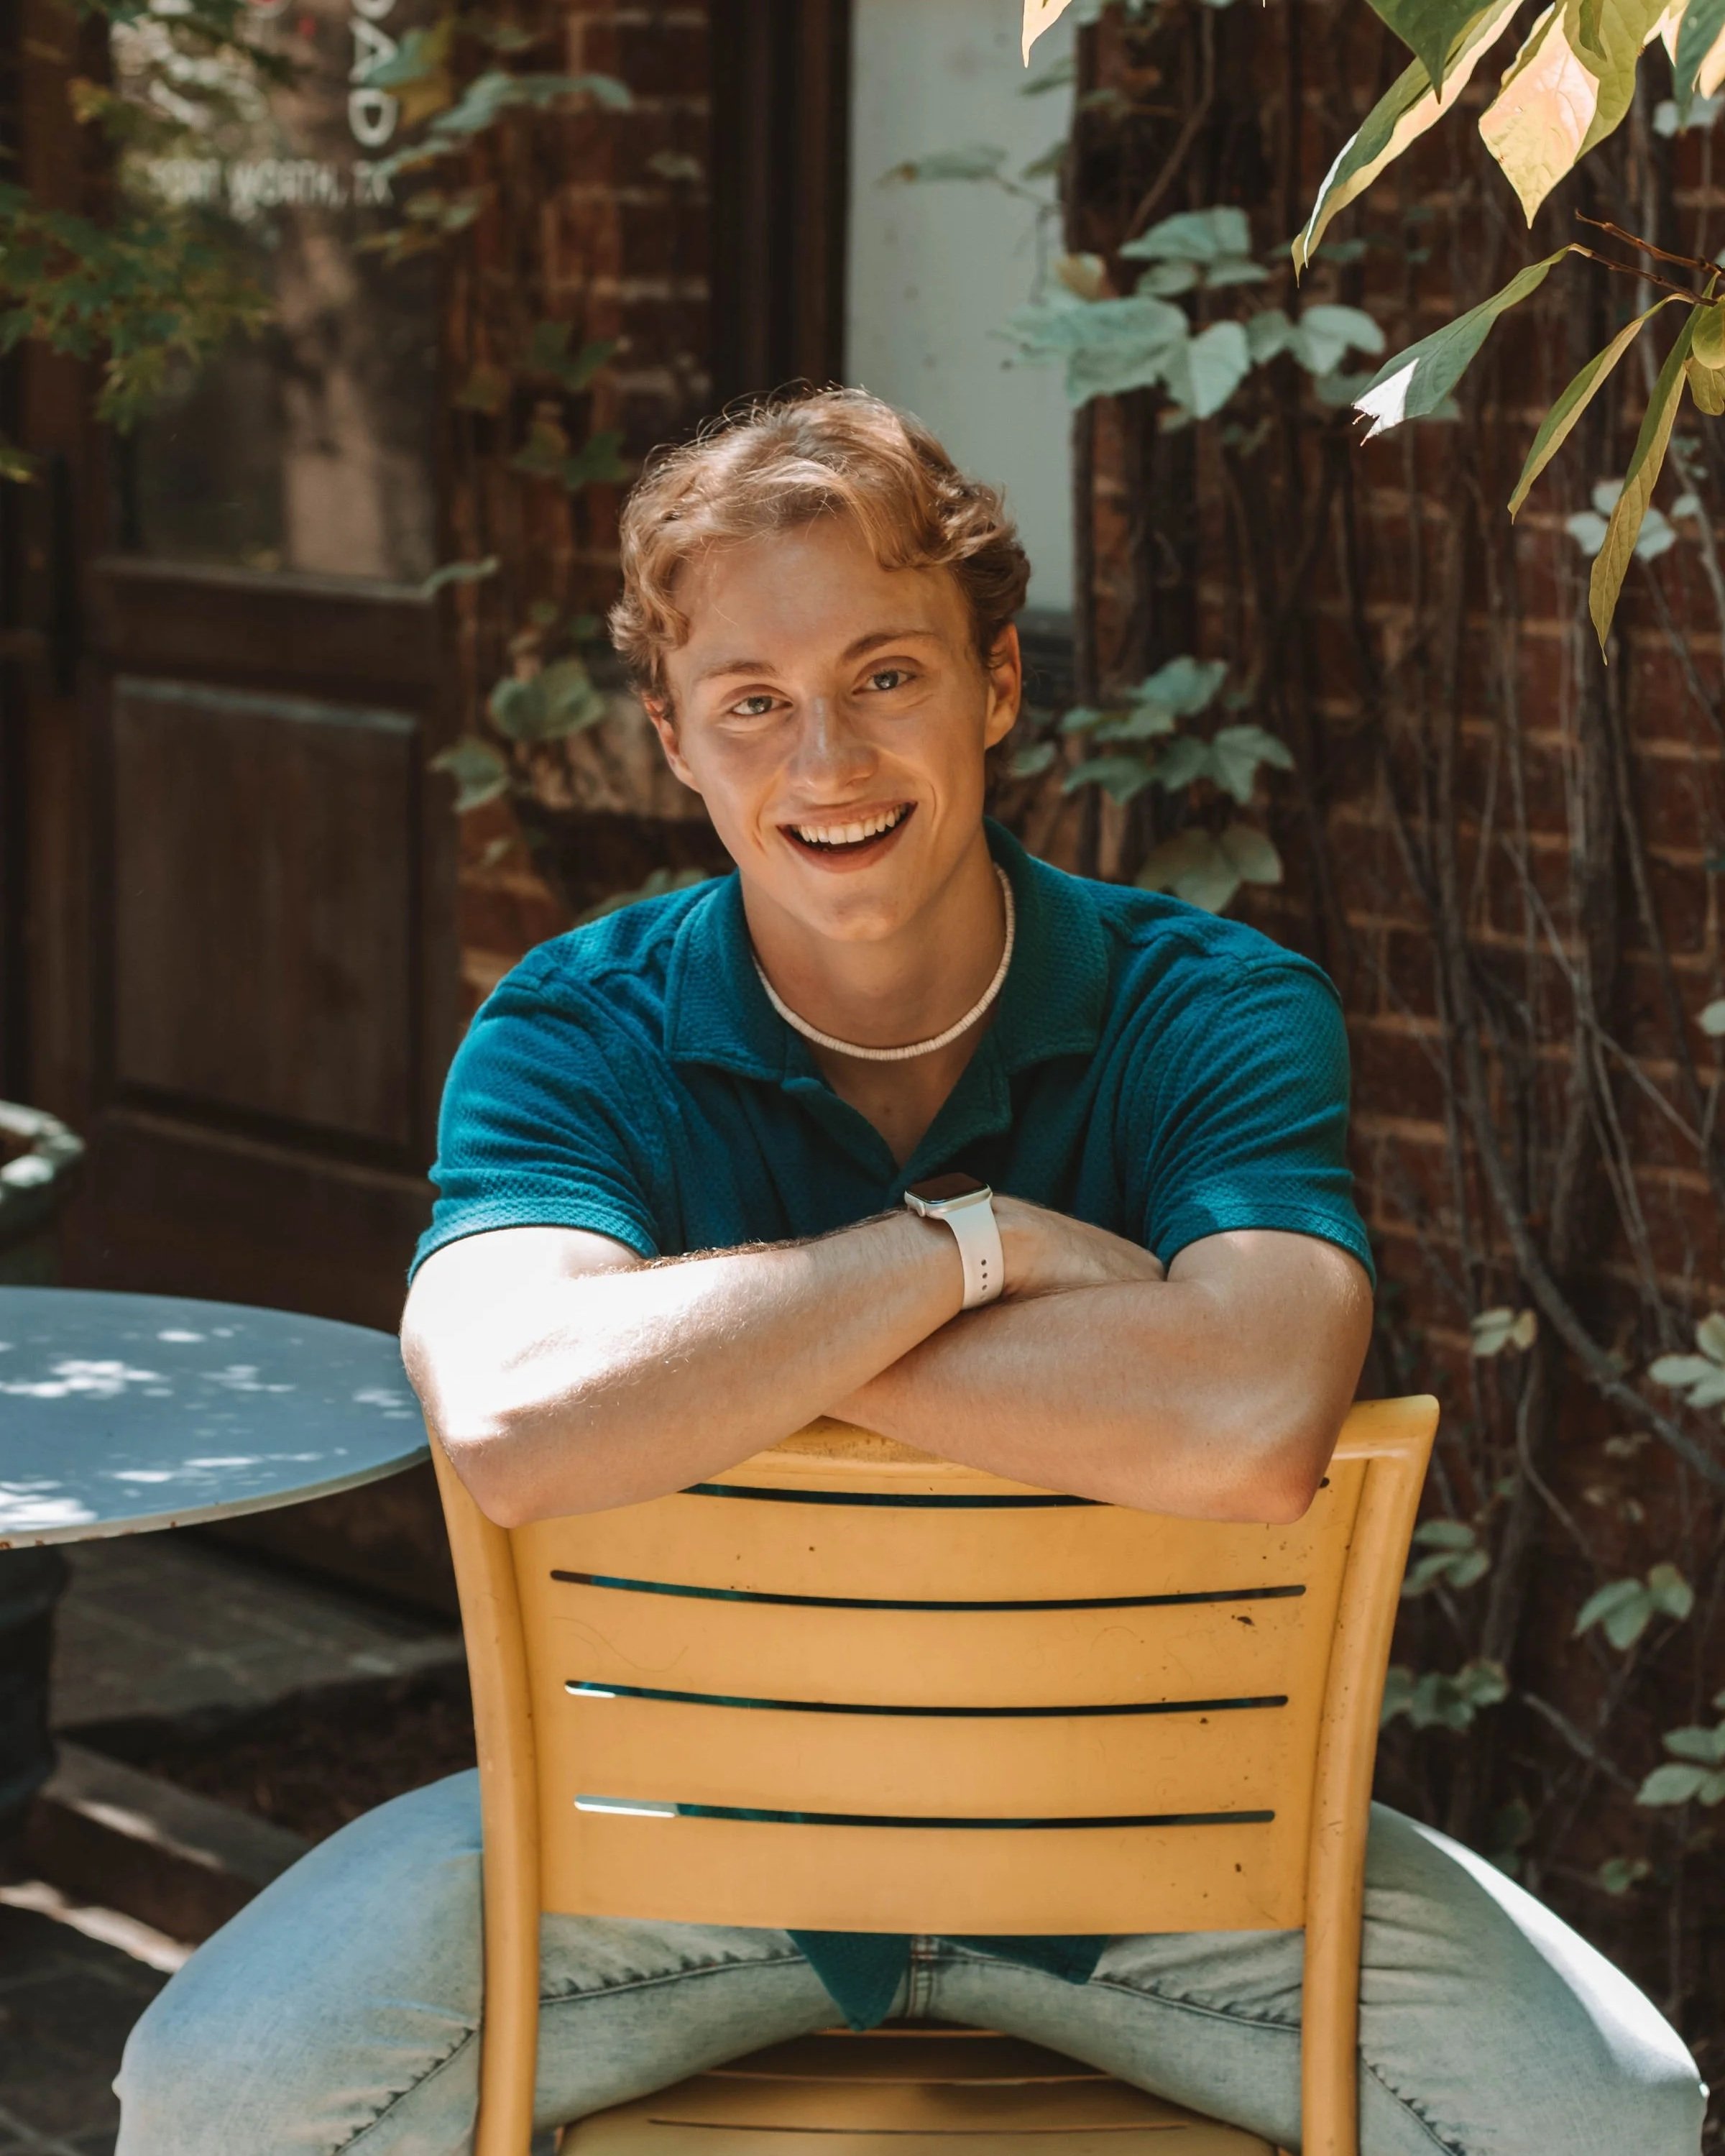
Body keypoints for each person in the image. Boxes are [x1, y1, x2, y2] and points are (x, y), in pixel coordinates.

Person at [115, 390, 1706, 2155]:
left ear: (996, 685)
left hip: (1164, 1855)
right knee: (224, 2087)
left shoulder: (1213, 1009)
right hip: (668, 1846)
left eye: (886, 675)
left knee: (1601, 2112)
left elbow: (1257, 1414)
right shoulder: (575, 1029)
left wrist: (721, 1365)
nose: (827, 762)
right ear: (673, 739)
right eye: (751, 703)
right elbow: (509, 1415)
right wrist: (976, 1251)